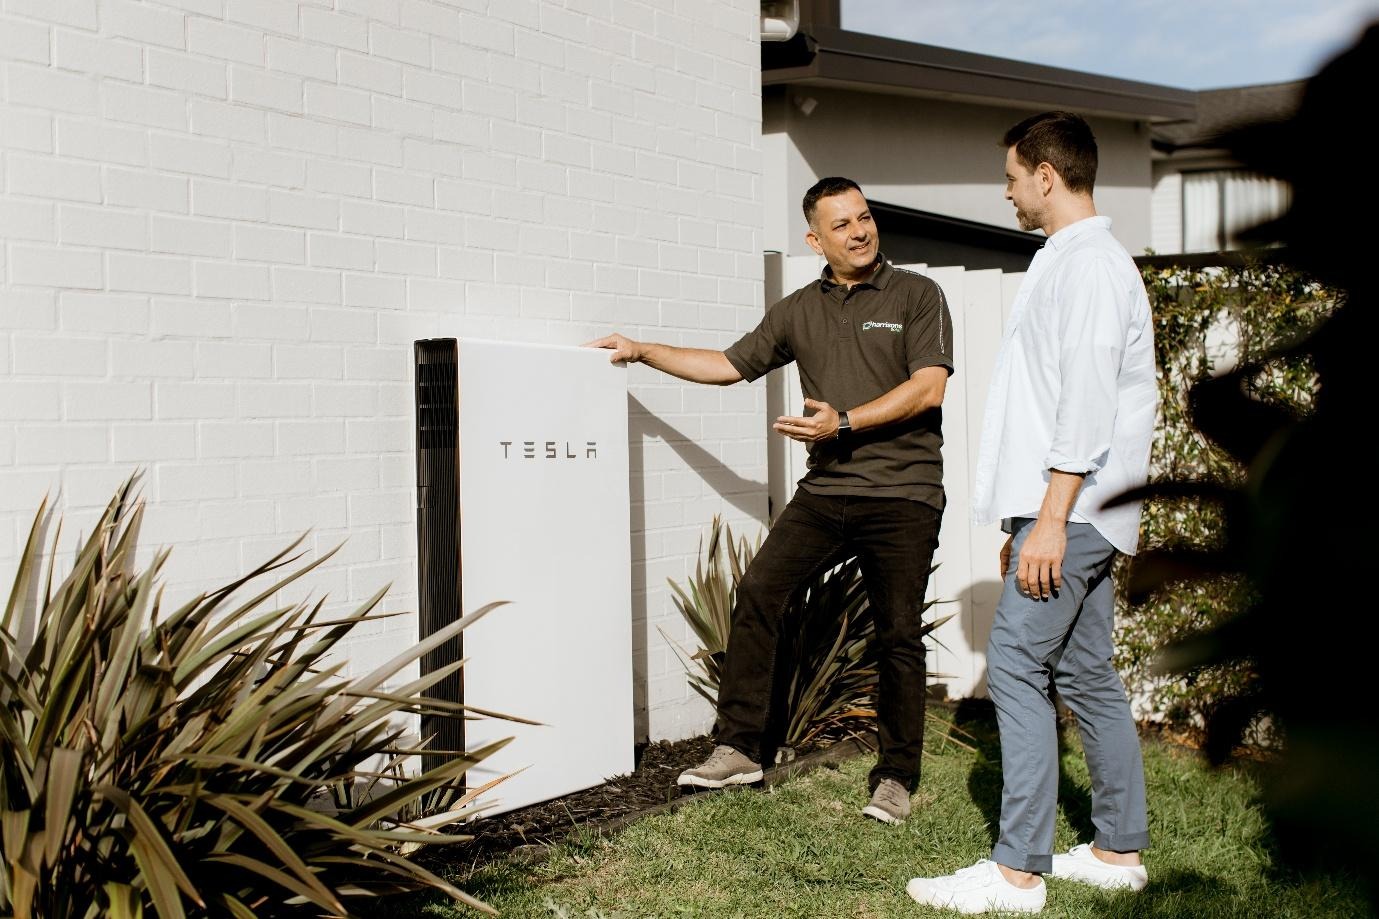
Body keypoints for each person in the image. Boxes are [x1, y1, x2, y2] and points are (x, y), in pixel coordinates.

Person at [587, 177, 954, 824]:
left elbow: (927, 389)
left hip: (903, 492)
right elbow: (728, 364)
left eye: (864, 217)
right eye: (841, 224)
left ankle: (894, 776)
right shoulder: (797, 310)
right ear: (815, 239)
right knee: (758, 591)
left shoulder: (917, 294)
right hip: (827, 490)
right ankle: (739, 748)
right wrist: (642, 350)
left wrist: (842, 423)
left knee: (897, 633)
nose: (859, 230)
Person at [906, 112, 1157, 913]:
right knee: (1085, 670)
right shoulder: (1065, 260)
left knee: (1014, 659)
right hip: (1071, 507)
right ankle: (1117, 850)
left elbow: (1082, 404)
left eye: (1012, 176)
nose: (1007, 190)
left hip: (1073, 509)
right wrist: (1032, 516)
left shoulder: (1090, 268)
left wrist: (1048, 520)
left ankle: (1017, 870)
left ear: (1046, 175)